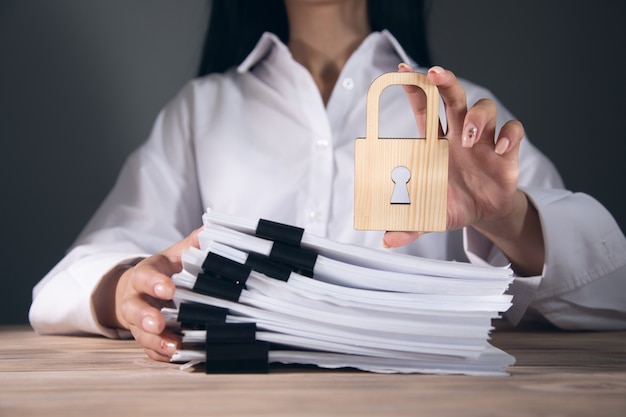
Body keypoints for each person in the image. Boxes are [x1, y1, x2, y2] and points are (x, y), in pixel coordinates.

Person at [29, 0, 626, 362]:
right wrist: (122, 287)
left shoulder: (457, 117)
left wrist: (506, 217)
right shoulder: (202, 110)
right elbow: (76, 276)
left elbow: (612, 292)